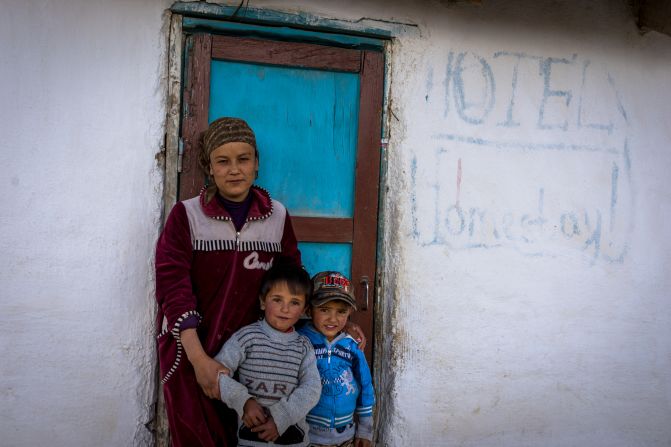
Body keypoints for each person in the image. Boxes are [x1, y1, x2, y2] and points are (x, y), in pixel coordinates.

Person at [155, 117, 302, 446]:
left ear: (257, 163)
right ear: (209, 167)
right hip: (191, 354)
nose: (234, 169)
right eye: (223, 161)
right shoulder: (186, 215)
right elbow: (172, 287)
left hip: (254, 360)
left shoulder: (277, 216)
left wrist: (335, 318)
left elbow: (294, 280)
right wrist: (199, 361)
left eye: (243, 159)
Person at [215, 263, 322, 447]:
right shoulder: (246, 337)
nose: (285, 308)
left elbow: (312, 389)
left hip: (294, 442)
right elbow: (218, 373)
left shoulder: (303, 346)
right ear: (263, 302)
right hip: (250, 441)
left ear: (304, 310)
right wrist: (244, 401)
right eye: (277, 299)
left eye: (294, 302)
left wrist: (282, 418)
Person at [298, 271, 375, 447]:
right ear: (309, 310)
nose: (332, 319)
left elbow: (365, 386)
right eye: (324, 310)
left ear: (349, 313)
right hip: (306, 435)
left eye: (341, 311)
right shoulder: (300, 341)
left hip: (346, 435)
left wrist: (365, 429)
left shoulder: (352, 345)